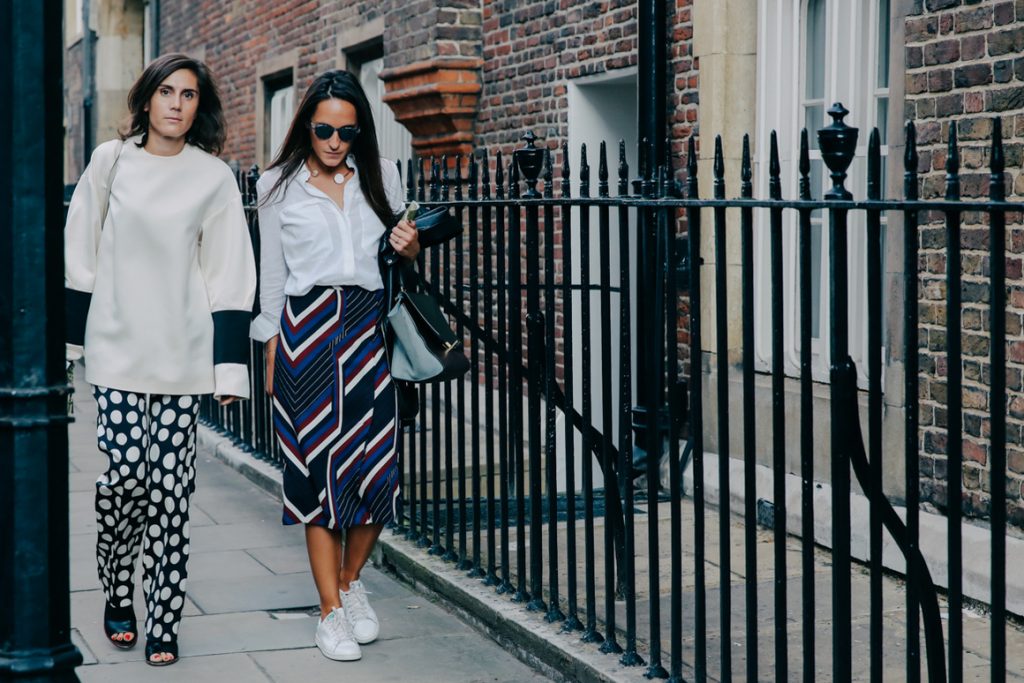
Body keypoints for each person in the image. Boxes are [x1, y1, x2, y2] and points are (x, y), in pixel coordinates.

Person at [64, 53, 257, 666]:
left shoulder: (213, 177)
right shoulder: (110, 162)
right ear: (146, 99)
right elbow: (80, 256)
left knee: (172, 490)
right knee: (124, 480)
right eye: (167, 91)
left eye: (190, 94)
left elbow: (229, 274)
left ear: (201, 106)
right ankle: (118, 587)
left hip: (182, 357)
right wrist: (71, 350)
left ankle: (165, 616)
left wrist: (229, 370)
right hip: (116, 351)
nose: (177, 103)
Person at [249, 70, 419, 662]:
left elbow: (402, 255)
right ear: (306, 125)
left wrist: (411, 246)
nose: (334, 141)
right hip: (307, 335)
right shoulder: (276, 185)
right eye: (323, 129)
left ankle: (349, 583)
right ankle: (329, 615)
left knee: (377, 473)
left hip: (370, 332)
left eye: (347, 132)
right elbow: (271, 277)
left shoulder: (383, 176)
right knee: (316, 476)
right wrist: (270, 346)